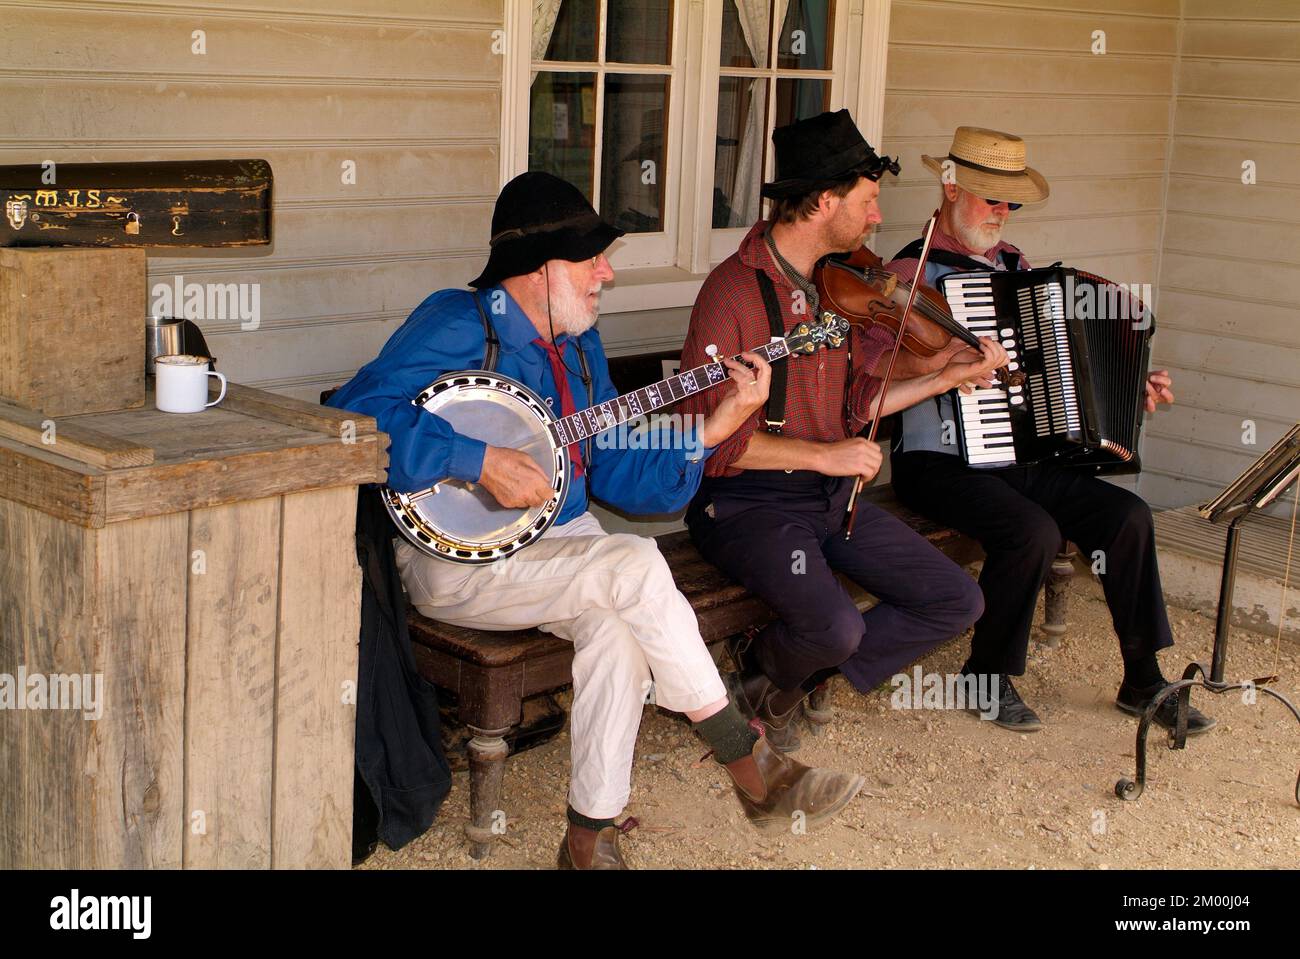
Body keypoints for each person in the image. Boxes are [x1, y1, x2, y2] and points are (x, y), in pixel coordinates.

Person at [327, 171, 867, 869]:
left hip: (568, 548)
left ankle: (589, 836)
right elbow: (354, 417)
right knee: (635, 563)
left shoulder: (579, 347)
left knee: (617, 629)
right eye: (591, 261)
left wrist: (712, 430)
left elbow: (615, 468)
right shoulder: (459, 322)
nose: (606, 274)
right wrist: (476, 458)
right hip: (460, 558)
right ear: (539, 268)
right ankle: (746, 758)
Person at [677, 111, 1004, 751]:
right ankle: (774, 664)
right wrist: (827, 457)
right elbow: (710, 443)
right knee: (836, 627)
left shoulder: (833, 287)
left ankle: (777, 681)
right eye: (867, 201)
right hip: (745, 504)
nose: (877, 218)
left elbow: (858, 405)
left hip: (828, 498)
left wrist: (943, 376)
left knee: (955, 600)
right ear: (826, 201)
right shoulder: (731, 295)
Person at [884, 125, 1215, 735]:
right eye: (991, 198)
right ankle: (986, 676)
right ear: (951, 188)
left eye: (1011, 201)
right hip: (938, 462)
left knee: (1128, 516)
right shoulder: (909, 274)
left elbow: (1053, 366)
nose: (1002, 212)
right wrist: (947, 365)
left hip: (1017, 454)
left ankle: (1143, 680)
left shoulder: (1016, 268)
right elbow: (875, 375)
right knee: (1032, 531)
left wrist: (1124, 387)